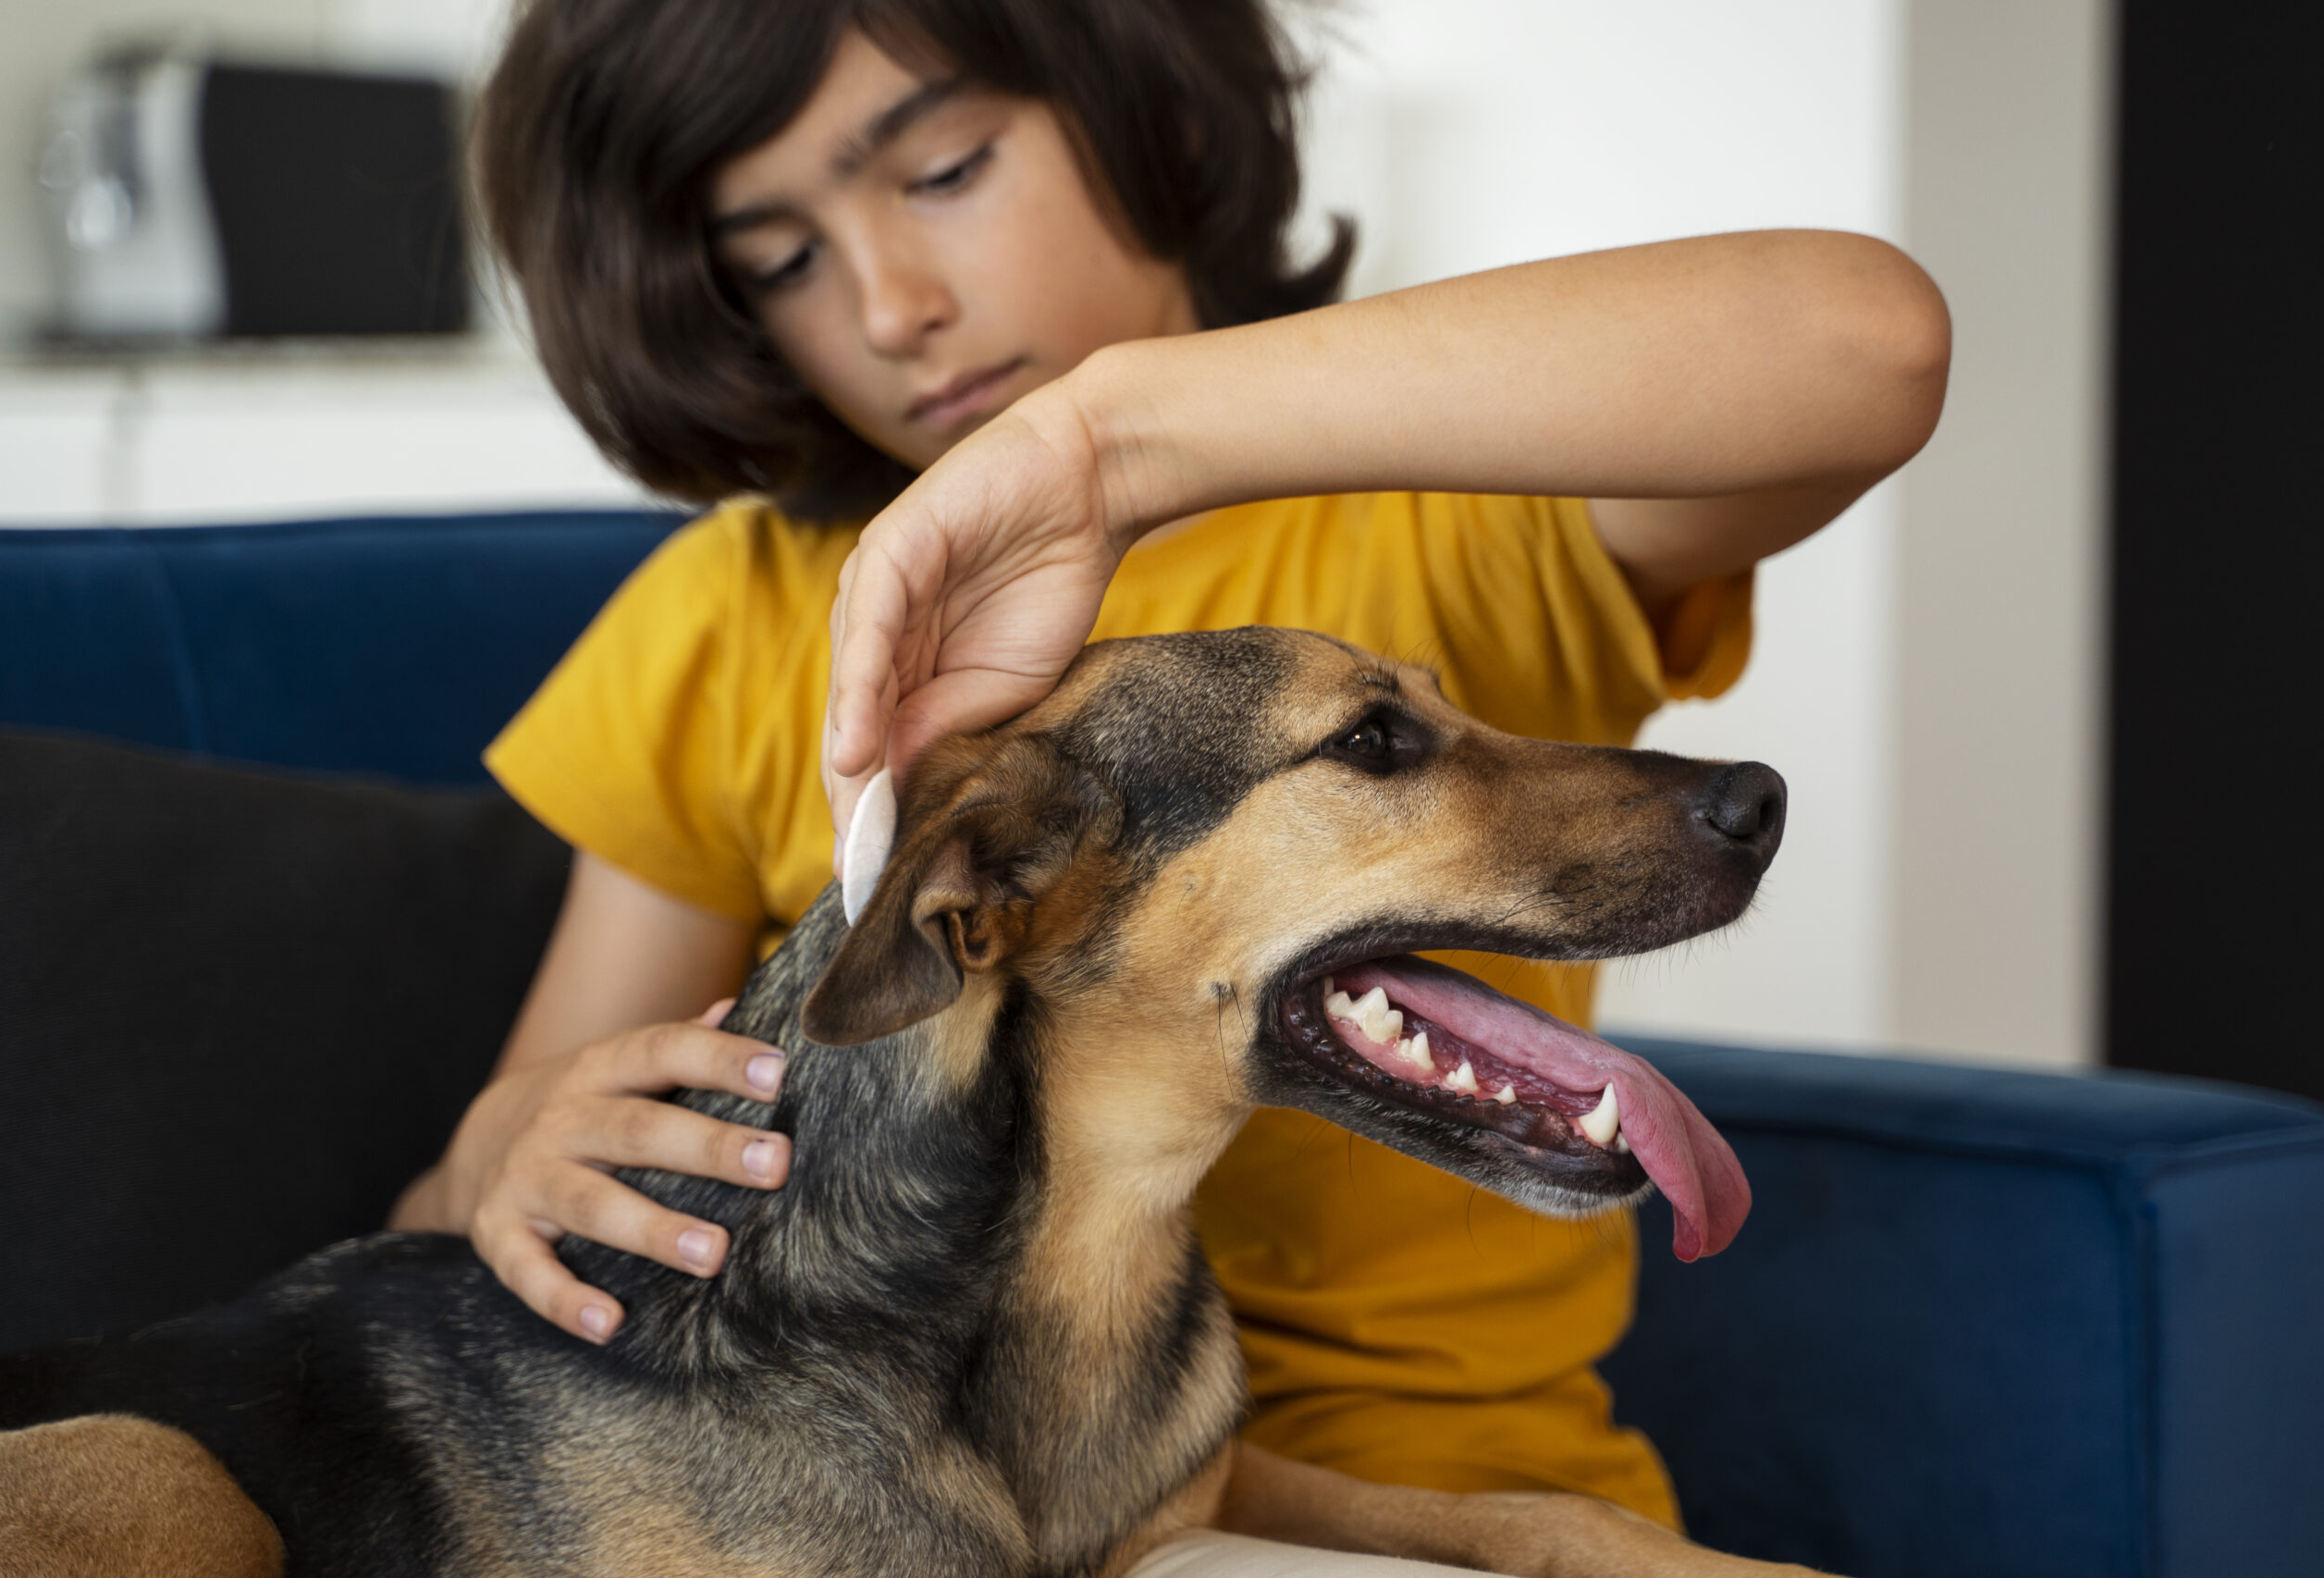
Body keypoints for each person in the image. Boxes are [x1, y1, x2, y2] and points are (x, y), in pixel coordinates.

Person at [391, 0, 1949, 1532]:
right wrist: (497, 1149)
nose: (887, 305)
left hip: (1466, 1496)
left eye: (941, 172)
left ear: (1157, 102)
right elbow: (486, 1211)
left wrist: (1113, 439)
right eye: (782, 257)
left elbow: (1867, 342)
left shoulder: (1437, 509)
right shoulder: (736, 620)